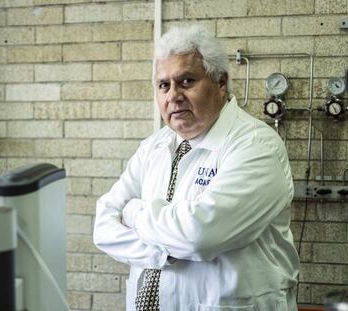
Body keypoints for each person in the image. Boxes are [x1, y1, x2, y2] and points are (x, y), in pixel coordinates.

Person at [93, 25, 299, 311]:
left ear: (221, 82)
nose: (173, 95)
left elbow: (199, 235)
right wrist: (167, 248)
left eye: (186, 81)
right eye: (163, 85)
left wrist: (133, 213)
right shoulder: (153, 147)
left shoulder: (256, 146)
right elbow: (103, 227)